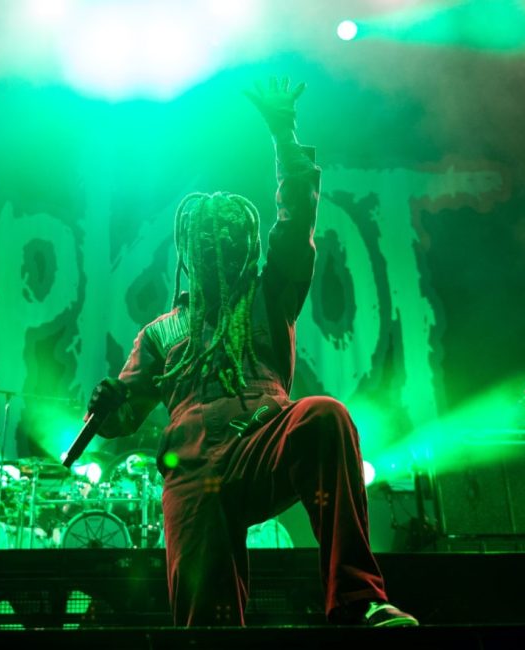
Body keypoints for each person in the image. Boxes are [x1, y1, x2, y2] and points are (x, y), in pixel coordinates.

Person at [85, 78, 418, 627]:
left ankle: (357, 601)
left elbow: (296, 222)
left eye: (228, 237)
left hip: (262, 442)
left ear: (246, 244)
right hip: (192, 466)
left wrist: (283, 134)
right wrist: (105, 406)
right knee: (205, 618)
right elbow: (125, 416)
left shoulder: (270, 295)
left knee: (325, 416)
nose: (217, 245)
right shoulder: (161, 332)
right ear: (188, 251)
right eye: (206, 239)